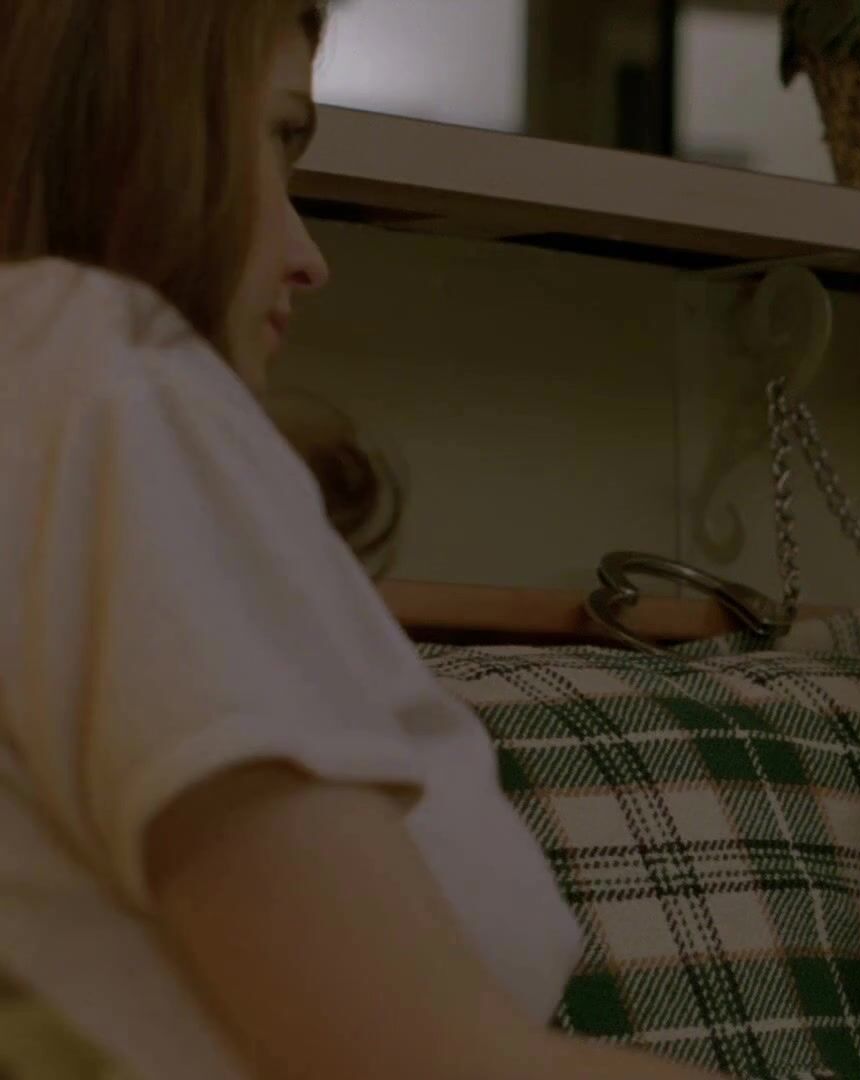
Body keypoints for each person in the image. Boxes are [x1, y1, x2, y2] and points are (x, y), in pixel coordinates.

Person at [0, 4, 713, 1078]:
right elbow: (425, 1060)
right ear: (136, 128)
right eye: (279, 137)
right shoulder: (96, 365)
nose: (310, 259)